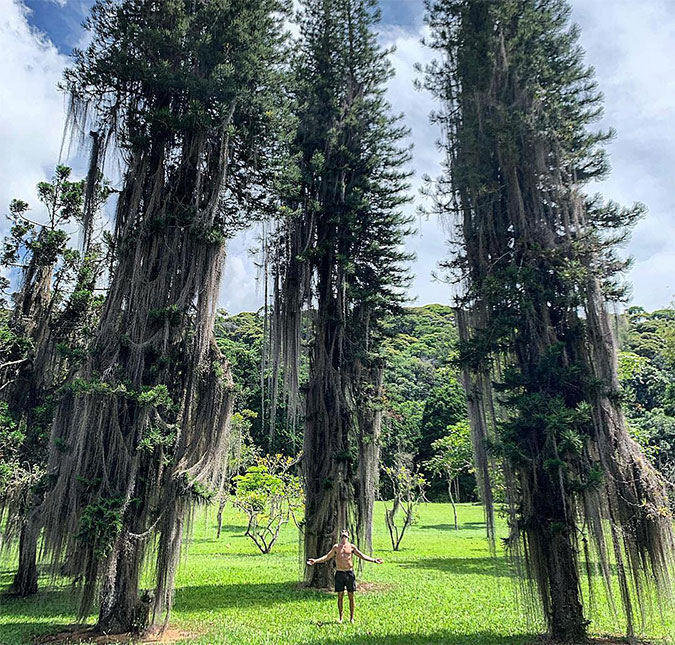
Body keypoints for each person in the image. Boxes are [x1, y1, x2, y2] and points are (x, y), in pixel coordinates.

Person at [307, 528, 383, 624]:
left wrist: (373, 560)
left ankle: (351, 618)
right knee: (340, 596)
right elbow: (327, 557)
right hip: (339, 573)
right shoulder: (336, 547)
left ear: (348, 537)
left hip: (349, 573)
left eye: (345, 535)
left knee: (351, 596)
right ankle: (341, 617)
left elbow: (362, 555)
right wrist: (315, 561)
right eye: (342, 535)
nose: (344, 537)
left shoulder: (351, 547)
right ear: (340, 537)